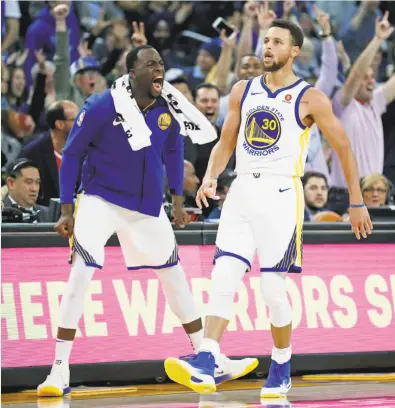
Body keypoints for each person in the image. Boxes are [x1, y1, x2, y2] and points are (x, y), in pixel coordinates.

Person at [164, 17, 373, 397]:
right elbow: (226, 142)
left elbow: (343, 148)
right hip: (242, 190)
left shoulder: (310, 97)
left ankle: (281, 361)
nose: (268, 47)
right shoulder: (243, 90)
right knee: (223, 274)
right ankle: (208, 356)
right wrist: (212, 174)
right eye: (265, 41)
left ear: (295, 50)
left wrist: (357, 201)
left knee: (271, 288)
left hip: (281, 195)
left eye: (277, 42)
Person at [37, 39, 257, 397]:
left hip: (148, 205)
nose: (159, 69)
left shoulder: (168, 106)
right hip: (101, 198)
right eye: (151, 64)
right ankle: (58, 370)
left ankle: (207, 356)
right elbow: (73, 154)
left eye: (161, 63)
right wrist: (66, 208)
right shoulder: (101, 105)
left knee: (175, 278)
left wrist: (177, 200)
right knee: (81, 273)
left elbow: (174, 150)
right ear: (132, 72)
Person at [20, 101, 79, 206]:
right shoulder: (33, 154)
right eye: (77, 119)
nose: (82, 123)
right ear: (60, 124)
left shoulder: (87, 150)